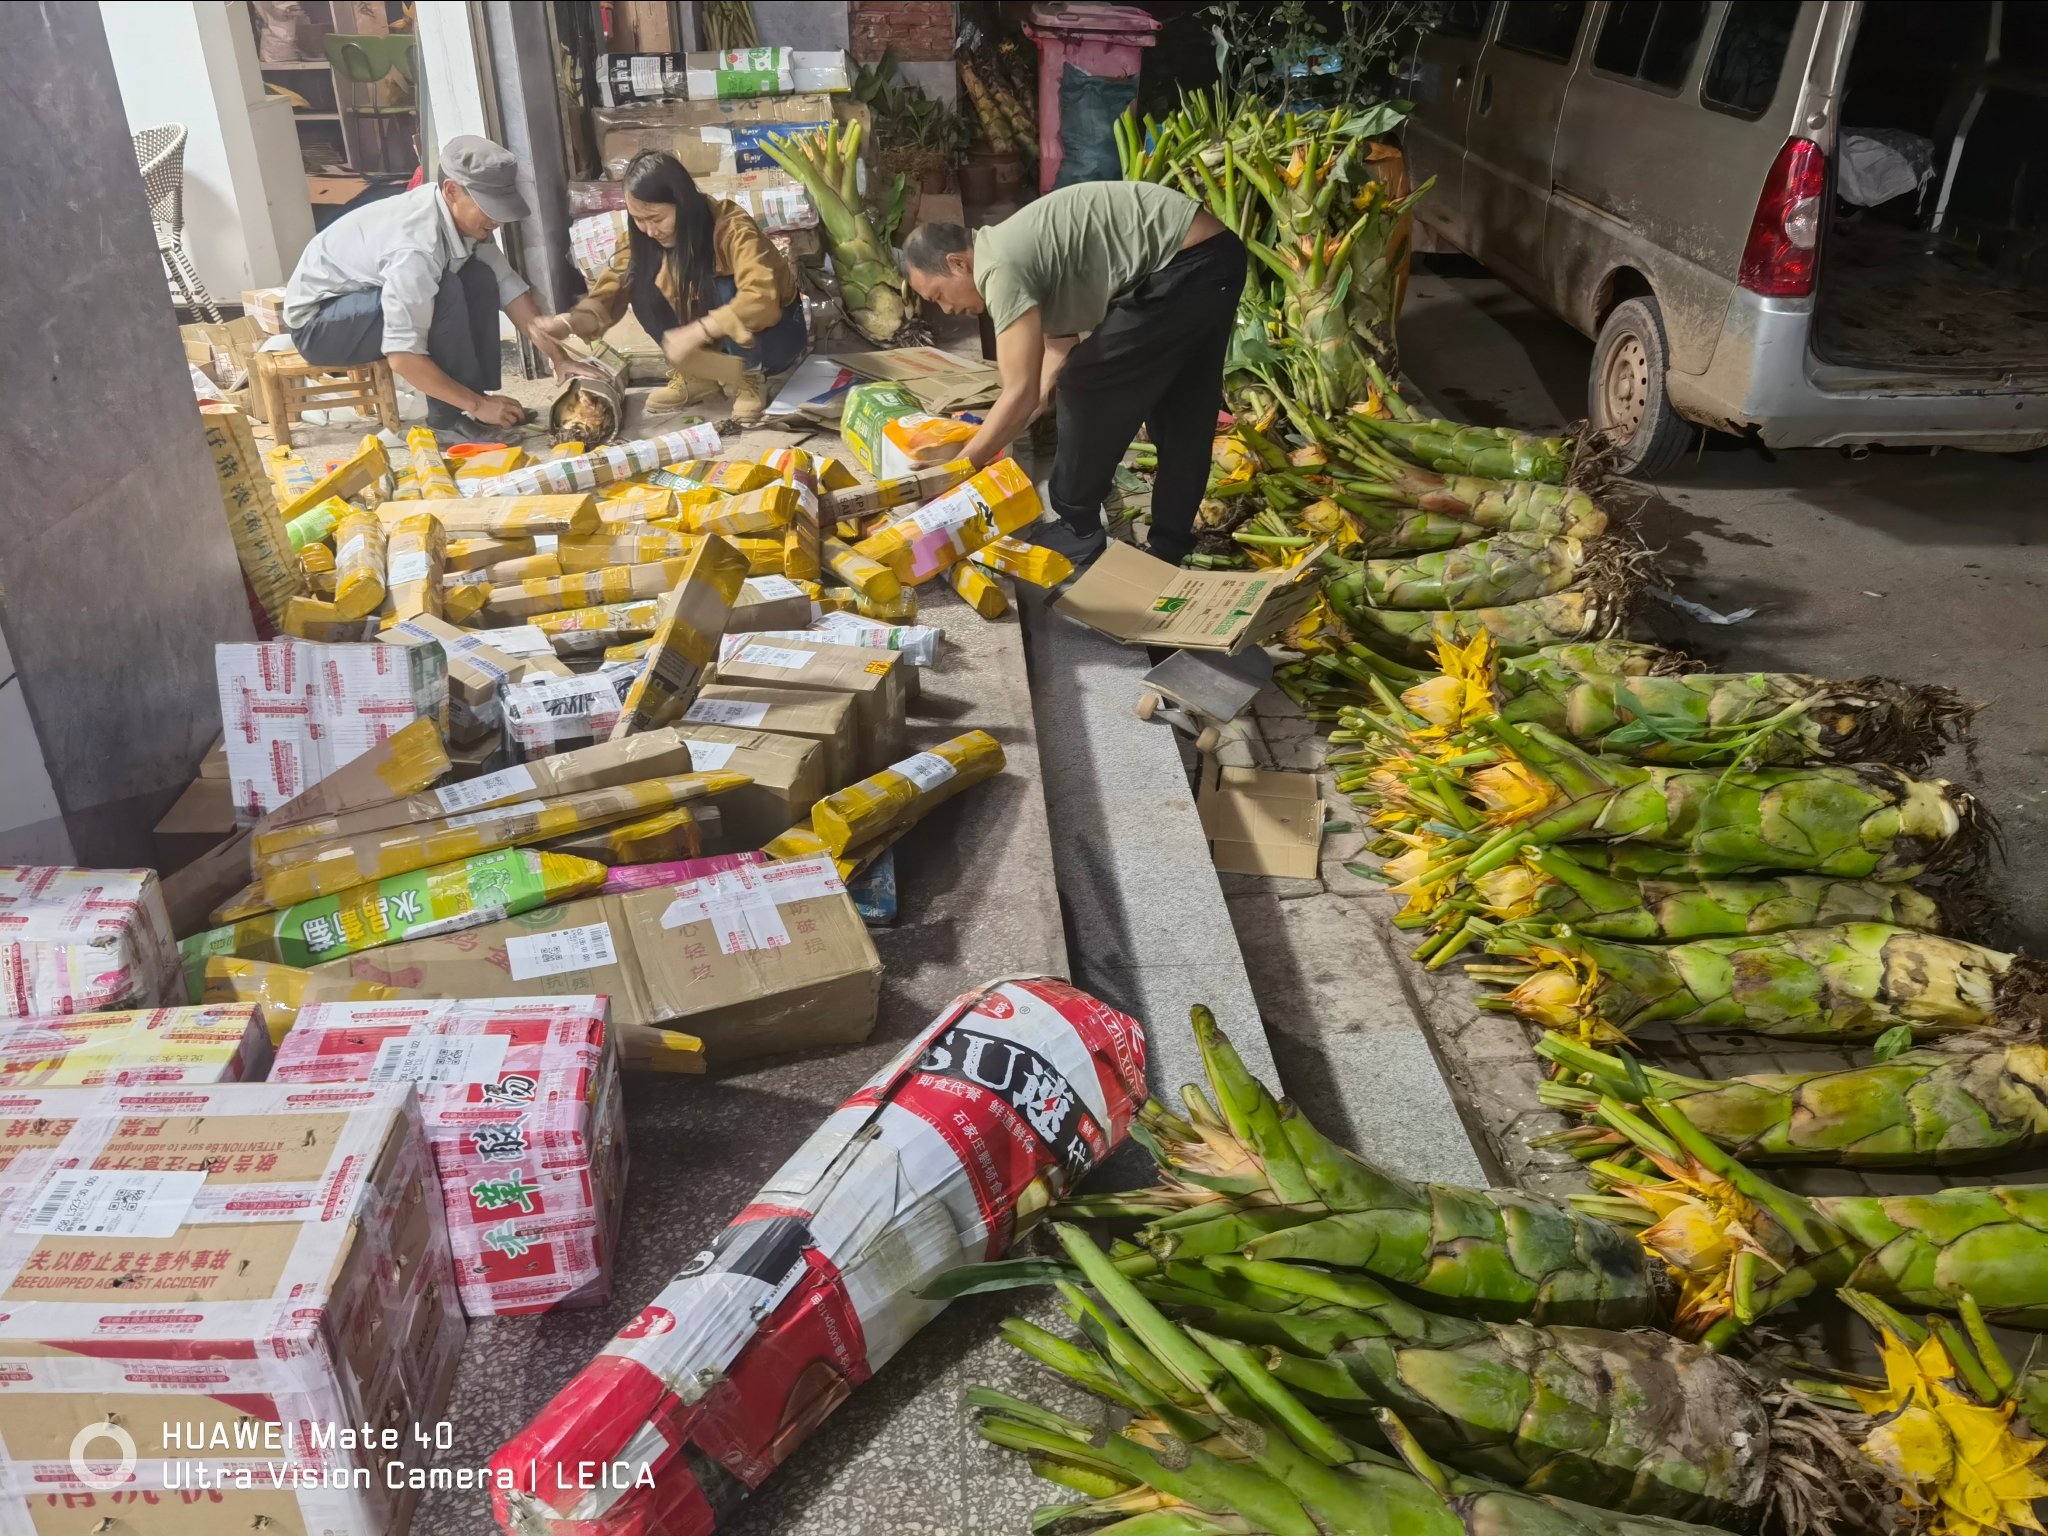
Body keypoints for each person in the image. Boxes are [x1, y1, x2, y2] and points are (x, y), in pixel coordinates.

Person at [902, 182, 1244, 567]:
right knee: (1182, 413)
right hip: (1214, 260)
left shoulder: (998, 265)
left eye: (939, 296)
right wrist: (1001, 429)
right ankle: (1168, 548)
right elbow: (1054, 353)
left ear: (957, 264)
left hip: (1183, 267)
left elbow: (1021, 391)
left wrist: (961, 468)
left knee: (1085, 385)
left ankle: (1077, 524)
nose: (946, 309)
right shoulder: (1013, 247)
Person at [284, 136, 590, 443]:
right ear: (452, 191)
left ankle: (471, 407)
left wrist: (559, 356)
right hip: (320, 325)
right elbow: (402, 356)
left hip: (361, 306)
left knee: (479, 277)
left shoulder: (463, 222)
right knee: (444, 289)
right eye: (489, 208)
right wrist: (478, 405)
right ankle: (448, 421)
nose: (497, 220)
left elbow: (508, 287)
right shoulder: (416, 248)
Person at [538, 150, 807, 425]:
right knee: (640, 280)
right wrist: (570, 323)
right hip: (719, 344)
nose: (650, 230)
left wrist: (699, 331)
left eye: (656, 219)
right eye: (639, 220)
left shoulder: (732, 229)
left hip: (777, 340)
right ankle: (698, 376)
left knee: (727, 286)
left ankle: (751, 377)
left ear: (684, 204)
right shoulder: (642, 240)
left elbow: (761, 298)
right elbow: (609, 290)